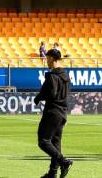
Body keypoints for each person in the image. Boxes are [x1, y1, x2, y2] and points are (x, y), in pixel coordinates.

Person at [34, 48, 73, 178]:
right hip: (63, 113)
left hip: (52, 112)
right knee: (56, 143)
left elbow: (51, 94)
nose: (46, 61)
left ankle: (63, 162)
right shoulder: (65, 76)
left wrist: (39, 97)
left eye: (47, 58)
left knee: (43, 141)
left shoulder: (52, 76)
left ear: (51, 58)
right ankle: (52, 173)